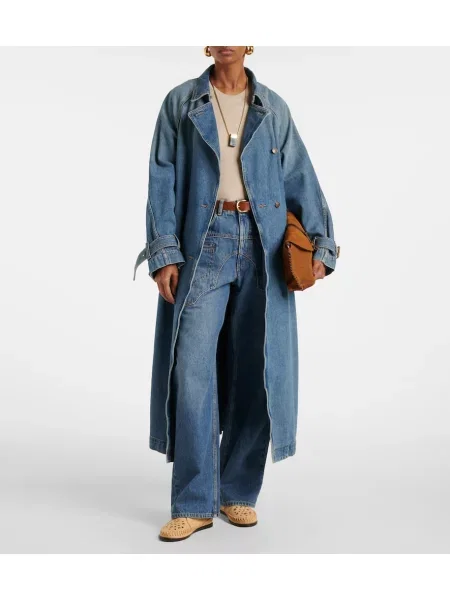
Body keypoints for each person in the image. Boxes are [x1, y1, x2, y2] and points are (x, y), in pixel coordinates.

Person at [133, 46, 338, 542]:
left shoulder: (273, 108)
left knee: (257, 367)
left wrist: (322, 243)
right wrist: (164, 253)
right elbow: (162, 177)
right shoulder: (181, 103)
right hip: (204, 241)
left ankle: (237, 492)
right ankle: (193, 503)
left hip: (263, 244)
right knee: (192, 369)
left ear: (249, 43)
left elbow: (299, 175)